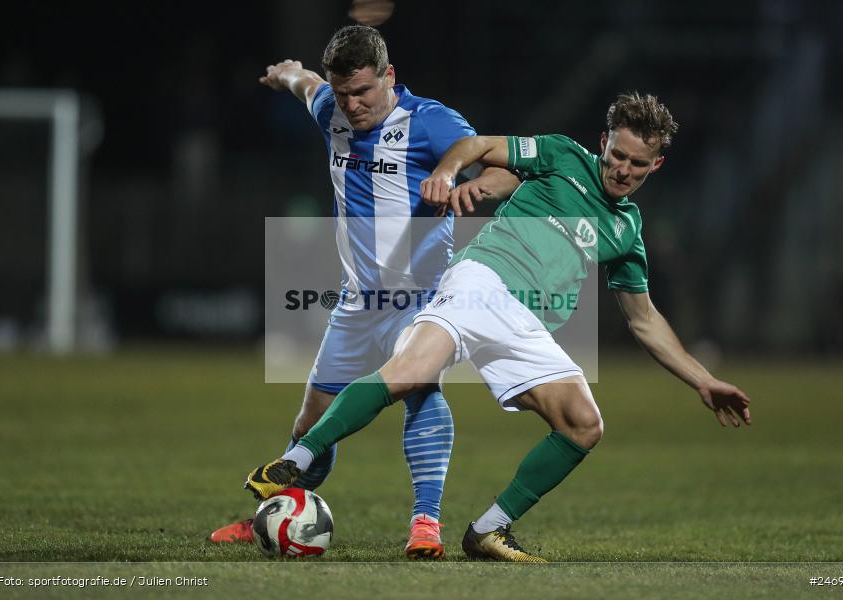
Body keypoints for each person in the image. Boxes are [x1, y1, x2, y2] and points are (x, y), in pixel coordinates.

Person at [244, 91, 752, 562]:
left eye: (637, 164)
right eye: (617, 155)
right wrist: (449, 172)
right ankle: (293, 460)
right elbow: (480, 145)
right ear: (605, 142)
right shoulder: (562, 155)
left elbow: (645, 321)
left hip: (527, 323)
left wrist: (703, 380)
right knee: (408, 373)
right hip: (481, 280)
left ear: (656, 165)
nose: (622, 170)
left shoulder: (626, 229)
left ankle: (489, 528)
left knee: (583, 424)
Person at [209, 25, 518, 560]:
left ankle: (426, 523)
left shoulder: (431, 122)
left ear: (389, 76)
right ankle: (279, 513)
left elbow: (509, 169)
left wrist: (465, 185)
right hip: (358, 301)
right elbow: (305, 85)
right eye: (343, 92)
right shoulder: (330, 104)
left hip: (423, 297)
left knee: (419, 390)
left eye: (363, 93)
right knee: (314, 420)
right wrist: (286, 74)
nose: (351, 105)